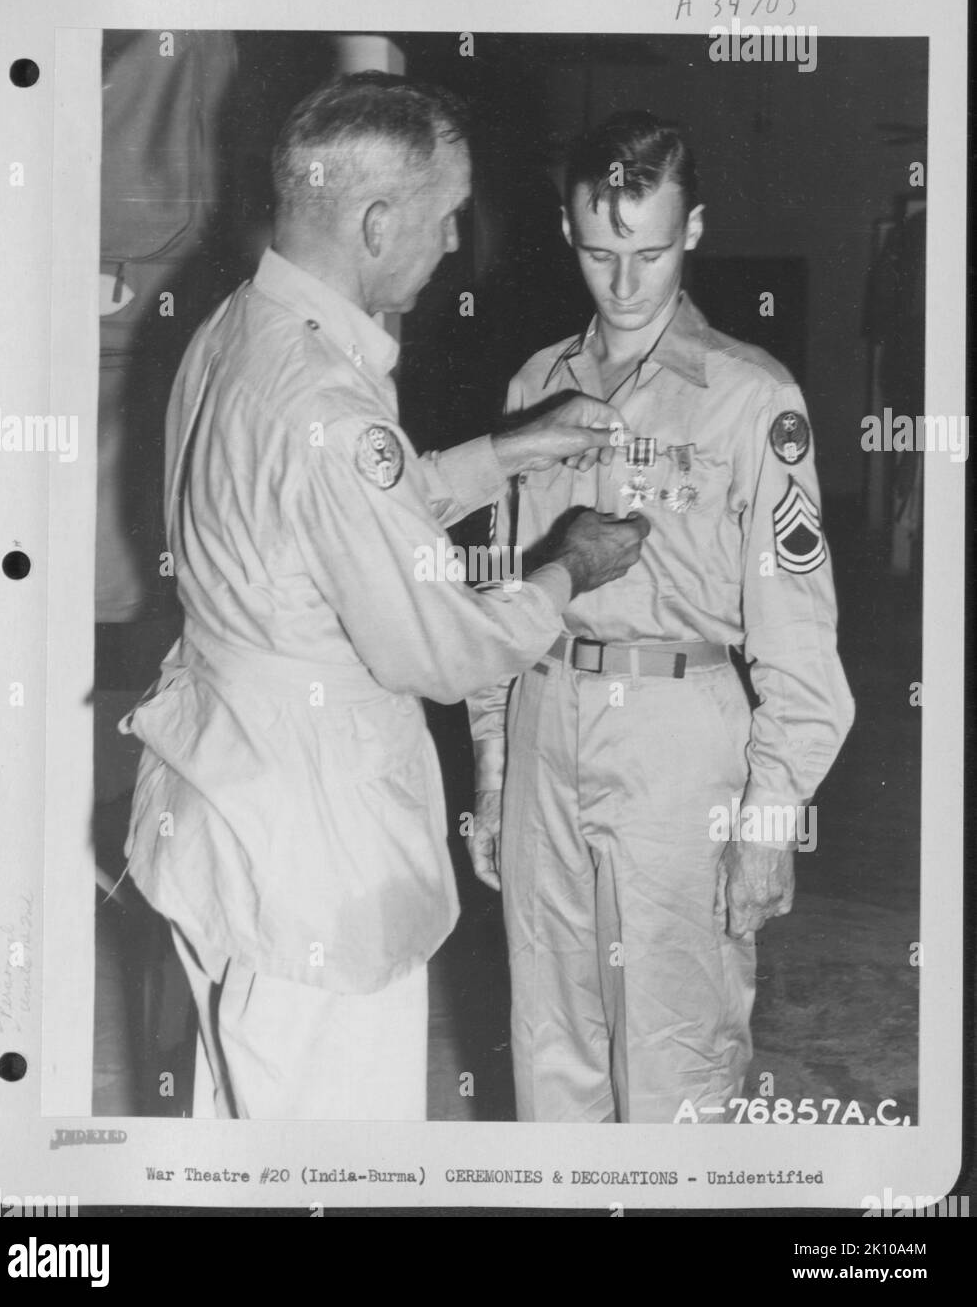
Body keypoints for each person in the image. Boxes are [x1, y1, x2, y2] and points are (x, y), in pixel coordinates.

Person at [118, 73, 650, 1122]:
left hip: (218, 800)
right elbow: (438, 649)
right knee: (331, 1160)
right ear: (374, 223)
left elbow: (327, 525)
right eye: (446, 214)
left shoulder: (239, 328)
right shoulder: (326, 398)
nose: (455, 242)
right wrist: (566, 569)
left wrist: (503, 451)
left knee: (237, 1144)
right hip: (314, 860)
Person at [467, 111, 855, 1123]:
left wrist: (769, 821)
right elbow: (499, 591)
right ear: (566, 232)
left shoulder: (749, 399)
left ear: (690, 230)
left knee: (677, 1053)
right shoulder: (532, 389)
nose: (624, 283)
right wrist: (489, 762)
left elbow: (799, 642)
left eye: (646, 252)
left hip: (679, 743)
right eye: (599, 253)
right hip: (543, 719)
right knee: (550, 1049)